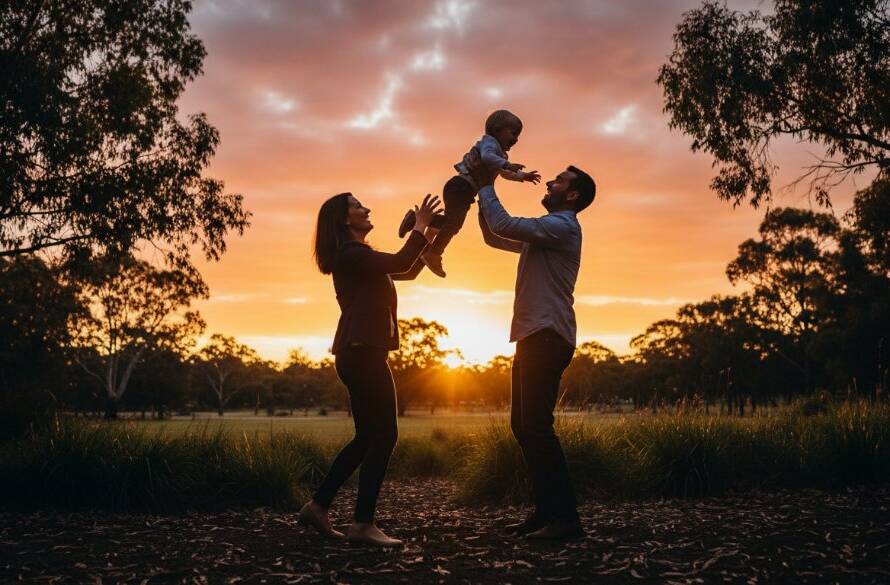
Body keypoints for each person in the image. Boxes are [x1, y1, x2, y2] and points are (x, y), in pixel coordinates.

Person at [300, 191, 441, 547]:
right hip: (362, 354)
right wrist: (420, 228)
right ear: (345, 220)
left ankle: (318, 506)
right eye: (358, 206)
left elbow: (405, 268)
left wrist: (429, 235)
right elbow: (398, 260)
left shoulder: (359, 258)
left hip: (360, 353)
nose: (367, 209)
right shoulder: (351, 254)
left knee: (367, 438)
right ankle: (362, 523)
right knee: (385, 436)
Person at [469, 152, 596, 540]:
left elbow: (504, 221)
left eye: (558, 180)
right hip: (531, 336)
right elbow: (495, 234)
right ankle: (546, 512)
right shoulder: (544, 234)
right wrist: (479, 194)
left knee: (537, 428)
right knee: (523, 426)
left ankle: (566, 519)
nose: (550, 183)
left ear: (571, 196)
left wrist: (487, 183)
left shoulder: (561, 228)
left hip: (547, 336)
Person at [397, 109, 541, 277]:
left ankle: (418, 227)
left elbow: (503, 173)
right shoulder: (489, 143)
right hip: (460, 187)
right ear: (496, 130)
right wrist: (507, 164)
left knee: (452, 224)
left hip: (463, 189)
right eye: (513, 133)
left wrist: (523, 176)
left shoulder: (500, 153)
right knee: (453, 224)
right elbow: (487, 158)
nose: (516, 139)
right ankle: (433, 253)